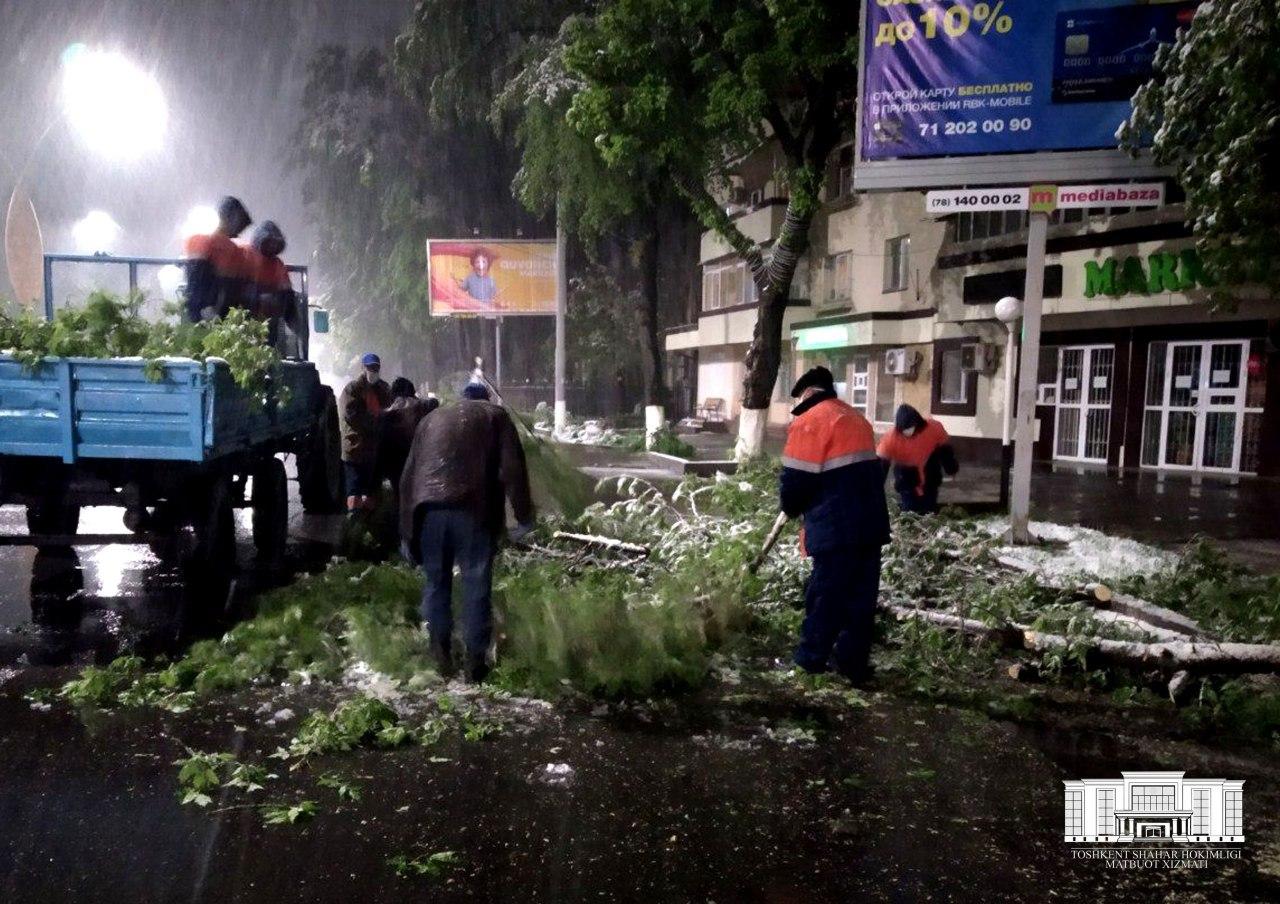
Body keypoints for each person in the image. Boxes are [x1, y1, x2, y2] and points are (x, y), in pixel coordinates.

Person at [399, 379, 534, 682]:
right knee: (475, 583)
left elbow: (408, 477)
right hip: (472, 510)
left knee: (436, 583)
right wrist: (523, 517)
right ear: (486, 399)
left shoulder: (431, 419)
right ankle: (474, 666)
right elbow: (512, 468)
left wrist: (407, 531)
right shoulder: (495, 416)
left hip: (428, 512)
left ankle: (439, 656)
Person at [779, 365, 890, 684]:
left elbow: (796, 482)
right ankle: (853, 664)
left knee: (826, 596)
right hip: (869, 525)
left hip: (836, 526)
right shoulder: (856, 419)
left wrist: (790, 506)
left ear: (807, 394)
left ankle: (809, 663)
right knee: (860, 598)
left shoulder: (810, 421)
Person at [876, 403, 959, 515]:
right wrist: (876, 488)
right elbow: (881, 465)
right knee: (910, 514)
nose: (908, 431)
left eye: (910, 426)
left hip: (930, 477)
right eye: (905, 428)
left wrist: (951, 468)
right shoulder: (891, 438)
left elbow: (945, 450)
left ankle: (929, 529)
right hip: (907, 480)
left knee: (929, 513)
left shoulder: (933, 428)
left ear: (917, 422)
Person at [184, 196, 252, 322]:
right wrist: (203, 306)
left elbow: (236, 285)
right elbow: (196, 278)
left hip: (223, 314)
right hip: (207, 312)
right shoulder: (204, 240)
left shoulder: (234, 249)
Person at [339, 354, 393, 513]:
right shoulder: (352, 389)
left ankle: (368, 523)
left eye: (376, 368)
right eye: (370, 368)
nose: (373, 371)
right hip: (355, 449)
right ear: (363, 368)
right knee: (354, 492)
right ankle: (354, 521)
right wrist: (377, 420)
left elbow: (391, 410)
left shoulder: (384, 388)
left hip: (375, 451)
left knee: (372, 491)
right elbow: (351, 414)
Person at [242, 220, 298, 351]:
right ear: (261, 240)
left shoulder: (277, 265)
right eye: (269, 242)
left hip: (268, 328)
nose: (272, 246)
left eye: (275, 243)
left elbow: (287, 297)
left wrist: (296, 326)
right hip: (242, 324)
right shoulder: (243, 256)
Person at [378, 377, 439, 486]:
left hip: (396, 461)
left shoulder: (387, 413)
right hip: (419, 457)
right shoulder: (421, 405)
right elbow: (434, 403)